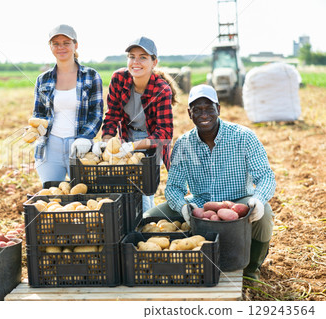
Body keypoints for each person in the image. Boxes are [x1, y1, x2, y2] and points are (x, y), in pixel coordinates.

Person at [144, 84, 276, 279]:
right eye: (197, 109)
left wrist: (258, 199)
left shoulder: (244, 137)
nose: (203, 114)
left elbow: (265, 176)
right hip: (199, 202)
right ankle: (159, 264)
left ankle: (251, 269)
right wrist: (182, 207)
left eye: (209, 108)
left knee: (264, 217)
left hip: (237, 201)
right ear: (190, 113)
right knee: (149, 217)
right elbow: (173, 187)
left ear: (218, 109)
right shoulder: (183, 144)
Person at [93, 36, 177, 212]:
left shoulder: (162, 90)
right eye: (132, 56)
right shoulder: (119, 78)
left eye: (143, 57)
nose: (135, 62)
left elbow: (164, 134)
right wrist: (107, 141)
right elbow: (112, 114)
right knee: (125, 185)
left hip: (152, 141)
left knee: (144, 189)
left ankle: (145, 221)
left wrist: (133, 146)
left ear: (154, 62)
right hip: (127, 135)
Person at [32, 24, 104, 184]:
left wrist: (84, 138)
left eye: (66, 42)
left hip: (80, 147)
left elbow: (97, 114)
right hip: (50, 148)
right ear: (50, 47)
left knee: (85, 196)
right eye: (56, 43)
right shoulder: (43, 79)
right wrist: (35, 130)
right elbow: (38, 114)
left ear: (75, 45)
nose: (61, 47)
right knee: (52, 196)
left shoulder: (91, 76)